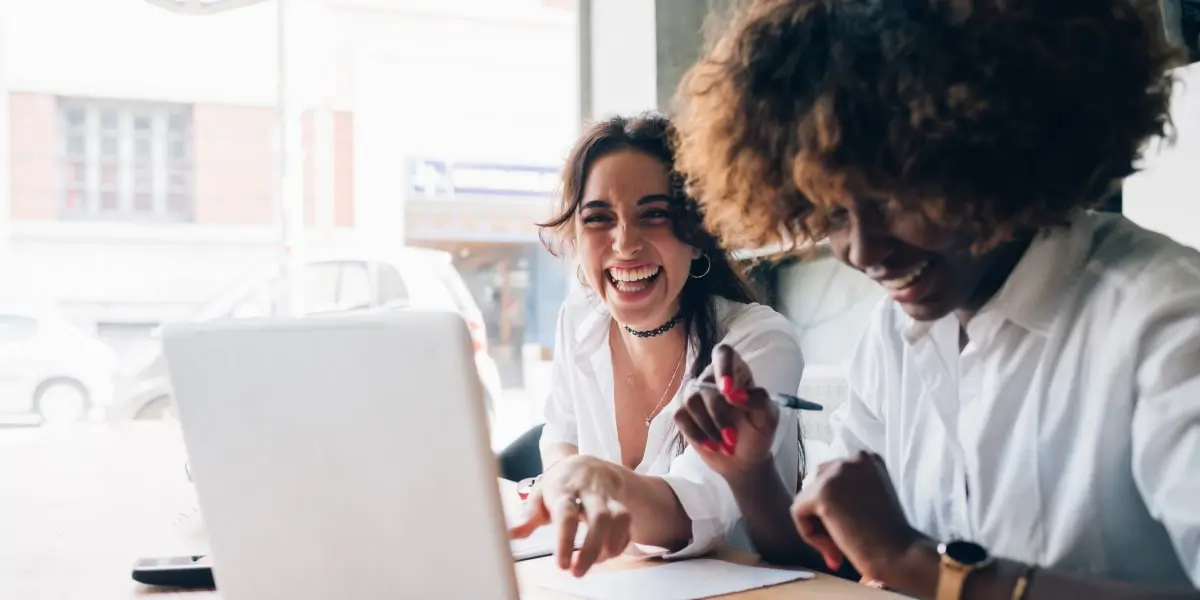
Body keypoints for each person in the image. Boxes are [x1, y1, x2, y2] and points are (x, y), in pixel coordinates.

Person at [670, 0, 1200, 599]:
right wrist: (750, 474)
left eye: (898, 197)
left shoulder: (1169, 322)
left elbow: (898, 559)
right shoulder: (894, 335)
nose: (864, 251)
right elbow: (842, 555)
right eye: (836, 212)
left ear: (999, 155)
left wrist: (922, 565)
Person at [509, 113, 805, 577]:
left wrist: (600, 481)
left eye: (654, 215)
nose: (625, 244)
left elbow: (699, 510)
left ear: (697, 237)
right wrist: (567, 478)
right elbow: (560, 432)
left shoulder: (758, 342)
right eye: (599, 219)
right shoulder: (579, 319)